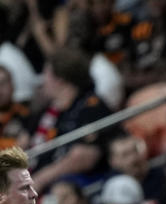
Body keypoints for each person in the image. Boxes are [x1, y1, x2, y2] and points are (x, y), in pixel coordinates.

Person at [26, 50, 113, 194]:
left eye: (46, 74)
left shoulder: (91, 107)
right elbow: (24, 141)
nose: (43, 80)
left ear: (60, 79)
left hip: (70, 186)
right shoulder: (48, 110)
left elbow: (84, 157)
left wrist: (39, 180)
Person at [108, 134, 166, 204]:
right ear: (113, 162)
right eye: (125, 155)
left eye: (135, 151)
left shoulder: (164, 176)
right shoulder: (113, 192)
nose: (133, 158)